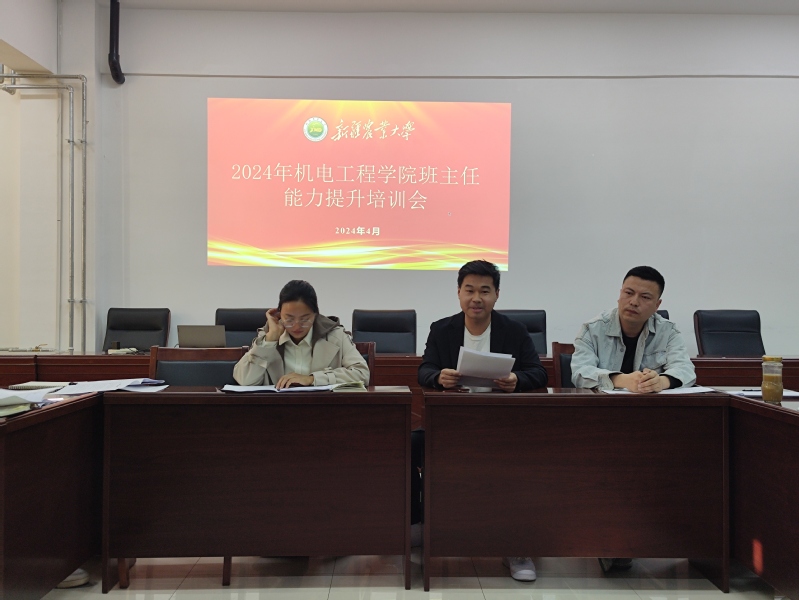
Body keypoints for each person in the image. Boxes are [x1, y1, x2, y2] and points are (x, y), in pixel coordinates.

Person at [417, 260, 548, 582]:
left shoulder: (514, 331)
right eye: (470, 290)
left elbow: (538, 372)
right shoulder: (442, 329)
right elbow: (424, 370)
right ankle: (422, 529)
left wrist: (517, 379)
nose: (476, 298)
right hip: (452, 424)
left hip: (503, 426)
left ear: (496, 295)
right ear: (459, 293)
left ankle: (517, 547)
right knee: (410, 445)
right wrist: (439, 377)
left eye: (485, 291)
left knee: (525, 461)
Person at [570, 265, 696, 573]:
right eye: (628, 293)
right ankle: (612, 538)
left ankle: (642, 536)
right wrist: (622, 380)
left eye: (644, 297)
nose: (634, 302)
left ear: (657, 304)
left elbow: (685, 370)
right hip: (599, 424)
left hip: (649, 427)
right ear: (619, 294)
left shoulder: (668, 331)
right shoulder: (593, 329)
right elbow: (579, 372)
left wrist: (661, 381)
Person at [233, 280, 369, 388]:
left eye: (305, 319)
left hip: (324, 409)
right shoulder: (268, 335)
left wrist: (313, 379)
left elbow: (362, 374)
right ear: (279, 314)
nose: (297, 326)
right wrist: (269, 341)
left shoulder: (335, 335)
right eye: (289, 319)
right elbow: (245, 380)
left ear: (315, 315)